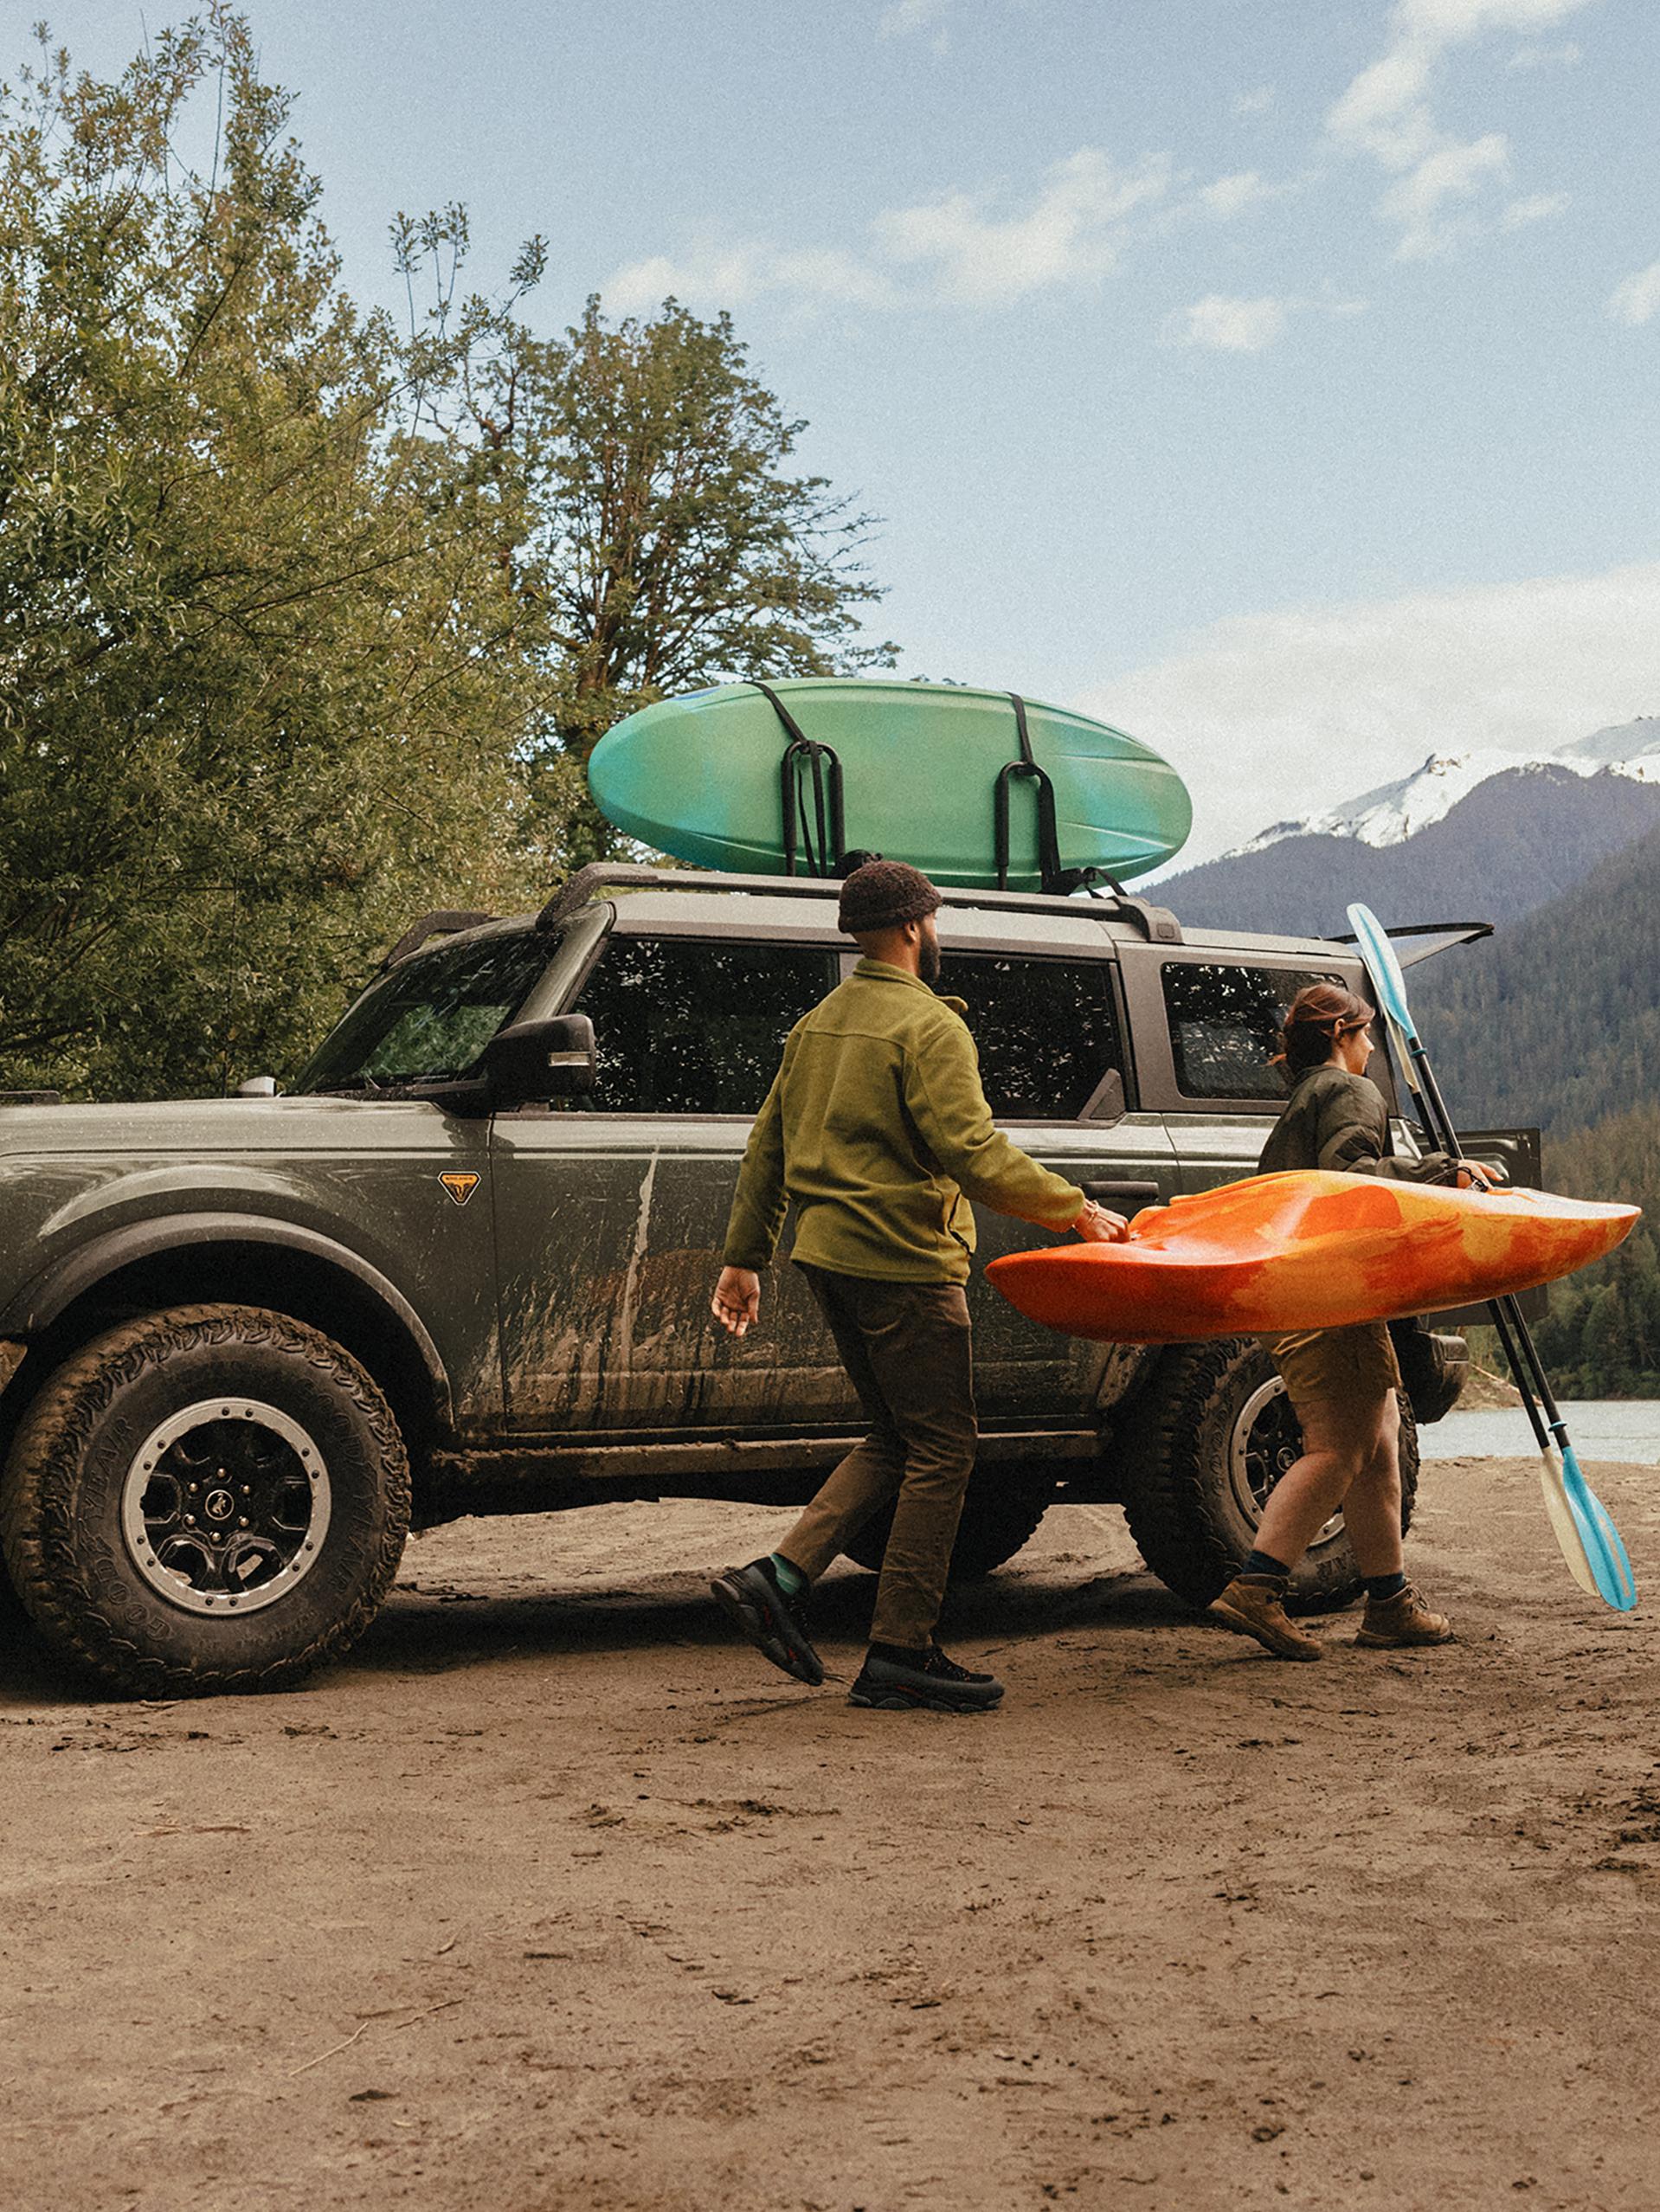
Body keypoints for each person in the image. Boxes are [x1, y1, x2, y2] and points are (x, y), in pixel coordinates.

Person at [706, 858, 1126, 1714]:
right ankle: (900, 1648)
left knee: (902, 1433)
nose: (936, 933)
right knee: (943, 1449)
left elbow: (767, 1149)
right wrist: (1075, 1210)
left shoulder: (818, 1024)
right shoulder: (928, 1027)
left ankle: (779, 1576)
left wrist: (744, 1258)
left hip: (828, 1257)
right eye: (933, 919)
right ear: (913, 926)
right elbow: (973, 1151)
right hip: (903, 1261)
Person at [1209, 981, 1502, 1662]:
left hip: (1303, 1291)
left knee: (1379, 1439)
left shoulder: (1306, 1095)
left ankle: (1389, 1602)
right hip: (1327, 1292)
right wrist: (1443, 1172)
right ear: (1342, 1033)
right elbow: (1353, 1178)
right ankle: (1258, 1586)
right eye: (1365, 1034)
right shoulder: (1348, 1091)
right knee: (1339, 1445)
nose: (1371, 1047)